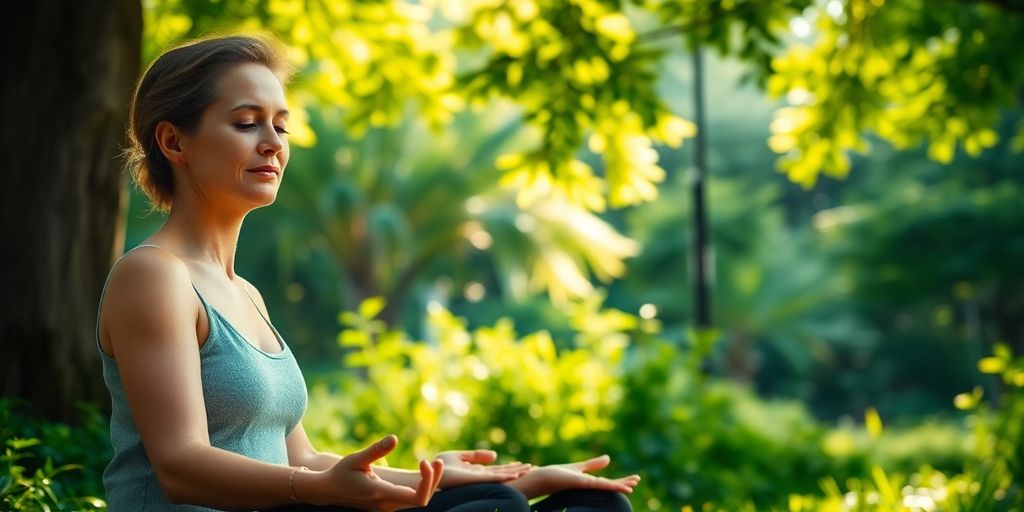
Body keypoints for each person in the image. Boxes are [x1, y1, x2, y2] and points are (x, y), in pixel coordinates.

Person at [97, 33, 640, 511]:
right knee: (493, 508)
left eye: (281, 126)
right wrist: (321, 490)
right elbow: (181, 466)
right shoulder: (153, 276)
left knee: (585, 504)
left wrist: (451, 478)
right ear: (174, 142)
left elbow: (304, 460)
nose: (273, 143)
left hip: (294, 508)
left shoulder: (245, 294)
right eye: (245, 123)